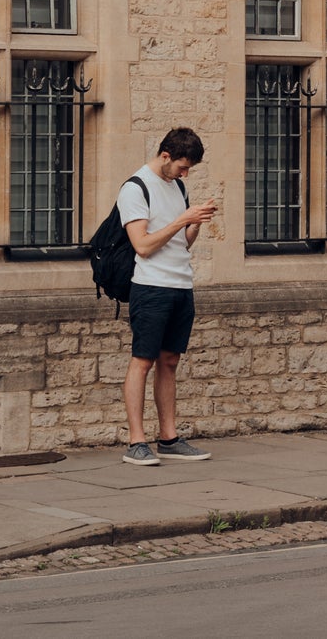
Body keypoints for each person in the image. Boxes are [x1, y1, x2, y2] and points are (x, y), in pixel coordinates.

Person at [119, 127, 220, 465]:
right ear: (165, 156)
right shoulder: (136, 188)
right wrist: (182, 220)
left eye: (189, 169)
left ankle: (169, 438)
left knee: (170, 362)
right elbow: (144, 246)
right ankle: (136, 442)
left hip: (181, 285)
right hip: (151, 287)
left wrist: (196, 222)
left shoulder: (177, 186)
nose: (185, 174)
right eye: (182, 166)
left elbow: (182, 243)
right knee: (143, 361)